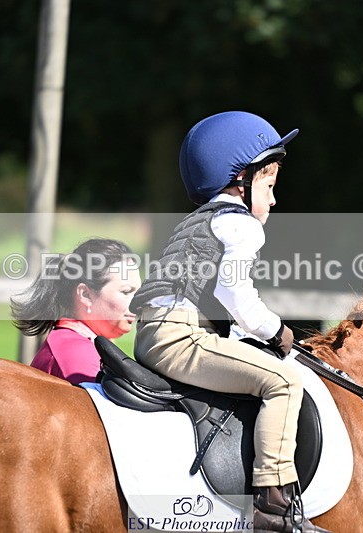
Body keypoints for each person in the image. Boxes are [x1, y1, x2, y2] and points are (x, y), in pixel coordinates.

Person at [129, 111, 328, 533]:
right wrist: (276, 331)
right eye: (270, 186)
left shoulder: (199, 219)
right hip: (179, 336)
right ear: (242, 179)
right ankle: (274, 510)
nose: (273, 200)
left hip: (153, 333)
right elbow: (235, 295)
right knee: (284, 382)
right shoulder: (241, 226)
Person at [12, 238, 141, 385]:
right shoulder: (76, 354)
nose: (138, 304)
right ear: (85, 295)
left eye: (138, 292)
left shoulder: (79, 344)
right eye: (126, 291)